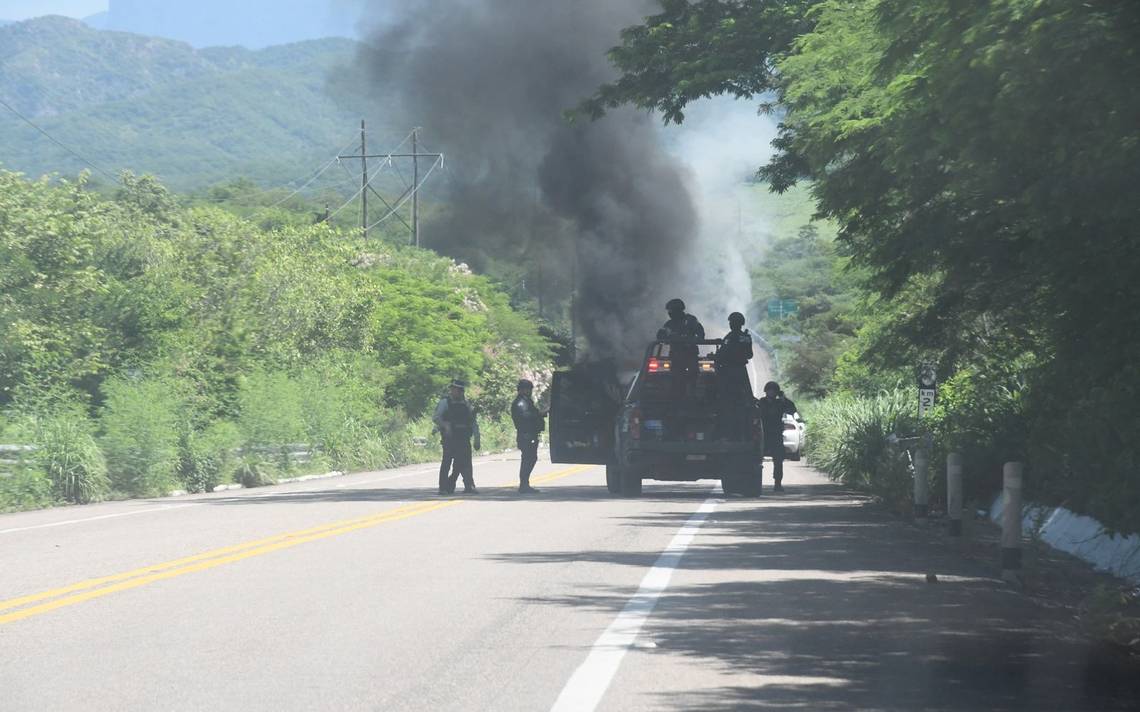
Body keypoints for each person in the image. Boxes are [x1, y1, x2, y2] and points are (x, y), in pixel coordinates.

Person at [432, 379, 481, 494]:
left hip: (463, 438)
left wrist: (477, 439)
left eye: (458, 390)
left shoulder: (466, 405)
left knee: (465, 463)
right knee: (447, 462)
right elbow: (436, 417)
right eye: (453, 389)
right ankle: (443, 487)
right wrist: (445, 425)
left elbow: (473, 422)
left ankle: (469, 485)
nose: (455, 391)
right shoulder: (445, 402)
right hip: (450, 438)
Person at [716, 312, 754, 440]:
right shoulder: (746, 337)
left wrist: (715, 357)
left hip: (729, 371)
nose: (731, 324)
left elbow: (722, 354)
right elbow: (749, 355)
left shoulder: (730, 337)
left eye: (731, 322)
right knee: (746, 398)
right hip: (741, 370)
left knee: (724, 397)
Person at [757, 381, 797, 492]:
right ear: (766, 391)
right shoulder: (761, 402)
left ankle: (777, 483)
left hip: (776, 435)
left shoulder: (780, 403)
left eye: (774, 390)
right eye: (770, 390)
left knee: (778, 461)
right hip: (763, 435)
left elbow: (792, 409)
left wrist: (783, 398)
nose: (771, 392)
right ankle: (754, 483)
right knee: (754, 459)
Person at [510, 379, 546, 494]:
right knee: (528, 459)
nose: (530, 391)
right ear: (522, 390)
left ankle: (525, 483)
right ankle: (524, 484)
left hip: (530, 434)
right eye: (528, 389)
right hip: (526, 435)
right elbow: (525, 417)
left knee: (530, 458)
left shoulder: (526, 402)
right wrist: (539, 414)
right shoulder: (520, 403)